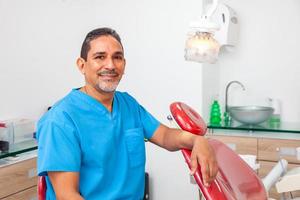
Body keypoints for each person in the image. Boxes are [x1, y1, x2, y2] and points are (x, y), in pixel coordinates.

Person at [36, 27, 218, 200]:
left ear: (124, 64)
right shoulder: (60, 120)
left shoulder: (127, 104)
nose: (110, 65)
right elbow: (67, 196)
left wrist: (197, 141)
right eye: (100, 57)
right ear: (82, 65)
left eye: (117, 57)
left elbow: (164, 135)